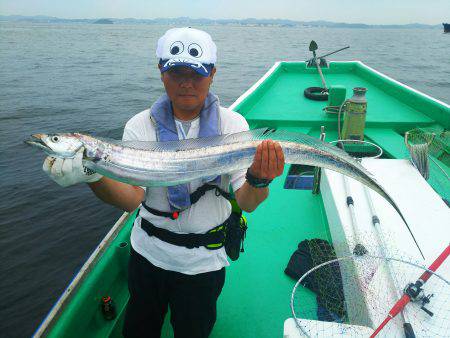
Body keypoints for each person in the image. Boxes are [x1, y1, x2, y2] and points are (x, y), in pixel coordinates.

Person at [43, 27, 285, 338]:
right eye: (176, 72)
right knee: (139, 330)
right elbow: (132, 199)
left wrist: (259, 179)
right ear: (161, 72)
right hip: (148, 255)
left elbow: (248, 201)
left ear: (212, 73)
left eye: (196, 73)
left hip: (204, 263)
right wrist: (92, 176)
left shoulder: (233, 125)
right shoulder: (140, 126)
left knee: (192, 331)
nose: (186, 82)